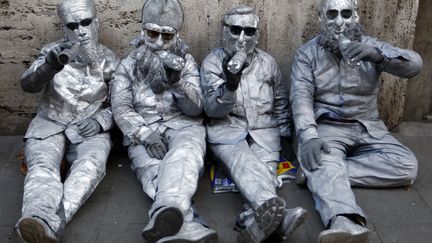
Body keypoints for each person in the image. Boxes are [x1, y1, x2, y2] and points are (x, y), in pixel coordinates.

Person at [290, 0, 423, 242]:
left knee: (407, 167)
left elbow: (414, 65)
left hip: (368, 127)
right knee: (321, 156)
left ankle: (322, 172)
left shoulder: (371, 46)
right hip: (328, 128)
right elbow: (301, 98)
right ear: (321, 19)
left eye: (345, 13)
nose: (339, 22)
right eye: (331, 14)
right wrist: (308, 137)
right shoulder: (307, 53)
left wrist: (378, 56)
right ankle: (344, 220)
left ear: (356, 17)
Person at [111, 0, 217, 242]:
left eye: (167, 36)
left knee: (185, 158)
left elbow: (196, 108)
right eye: (152, 33)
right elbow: (121, 107)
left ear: (177, 36)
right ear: (142, 31)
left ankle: (162, 214)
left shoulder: (187, 62)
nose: (159, 43)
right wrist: (145, 134)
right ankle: (187, 224)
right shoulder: (128, 66)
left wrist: (177, 82)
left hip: (183, 126)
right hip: (143, 130)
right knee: (153, 170)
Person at [200, 5, 307, 243]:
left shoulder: (267, 63)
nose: (241, 39)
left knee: (266, 173)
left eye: (248, 32)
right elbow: (212, 110)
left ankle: (253, 220)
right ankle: (279, 219)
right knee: (245, 164)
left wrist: (286, 136)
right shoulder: (212, 63)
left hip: (264, 132)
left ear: (256, 36)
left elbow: (280, 100)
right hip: (227, 132)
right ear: (224, 32)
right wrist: (230, 84)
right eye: (235, 30)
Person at [15, 0, 120, 242]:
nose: (80, 31)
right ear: (64, 29)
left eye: (86, 23)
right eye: (72, 26)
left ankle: (47, 222)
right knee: (42, 167)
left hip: (89, 128)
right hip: (49, 124)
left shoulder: (110, 60)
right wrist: (49, 66)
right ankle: (36, 219)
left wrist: (101, 122)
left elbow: (121, 105)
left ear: (97, 24)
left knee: (91, 167)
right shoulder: (51, 52)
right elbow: (27, 85)